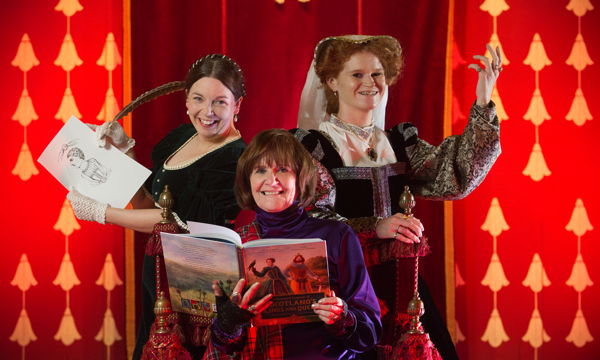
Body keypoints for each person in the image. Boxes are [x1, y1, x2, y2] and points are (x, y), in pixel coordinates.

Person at [293, 35, 502, 359]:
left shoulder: (400, 142)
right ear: (332, 81)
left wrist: (482, 101)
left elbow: (456, 177)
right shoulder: (313, 147)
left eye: (377, 73)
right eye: (357, 74)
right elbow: (307, 220)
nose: (370, 83)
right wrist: (374, 226)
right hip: (344, 289)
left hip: (403, 285)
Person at [66, 54, 248, 359]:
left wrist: (101, 213)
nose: (207, 111)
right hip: (158, 275)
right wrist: (124, 152)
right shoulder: (182, 137)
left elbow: (173, 223)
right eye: (198, 99)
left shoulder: (234, 159)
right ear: (186, 100)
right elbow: (146, 204)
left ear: (237, 106)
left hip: (196, 287)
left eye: (220, 102)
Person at [203, 129, 381, 360]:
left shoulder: (337, 236)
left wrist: (341, 317)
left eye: (283, 169)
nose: (271, 180)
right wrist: (229, 323)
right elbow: (225, 349)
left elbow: (370, 334)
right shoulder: (235, 246)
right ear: (248, 181)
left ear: (301, 178)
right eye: (260, 170)